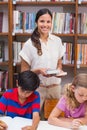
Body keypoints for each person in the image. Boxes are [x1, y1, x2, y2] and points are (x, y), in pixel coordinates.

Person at [19, 8, 65, 116]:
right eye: (42, 21)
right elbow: (24, 74)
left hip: (55, 89)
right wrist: (38, 71)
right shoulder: (29, 44)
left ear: (51, 22)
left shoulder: (57, 41)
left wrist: (59, 71)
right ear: (36, 22)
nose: (45, 25)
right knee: (36, 121)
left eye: (48, 21)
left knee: (54, 122)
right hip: (37, 90)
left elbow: (59, 63)